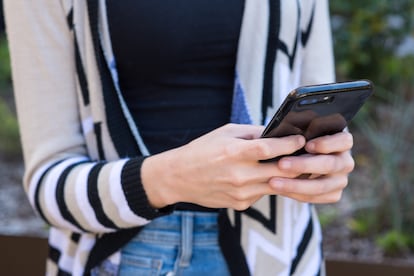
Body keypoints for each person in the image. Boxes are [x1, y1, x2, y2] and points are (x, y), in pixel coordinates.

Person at [4, 0, 354, 275]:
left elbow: (321, 106)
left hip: (282, 257)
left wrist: (325, 162)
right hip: (122, 259)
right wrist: (168, 180)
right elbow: (47, 183)